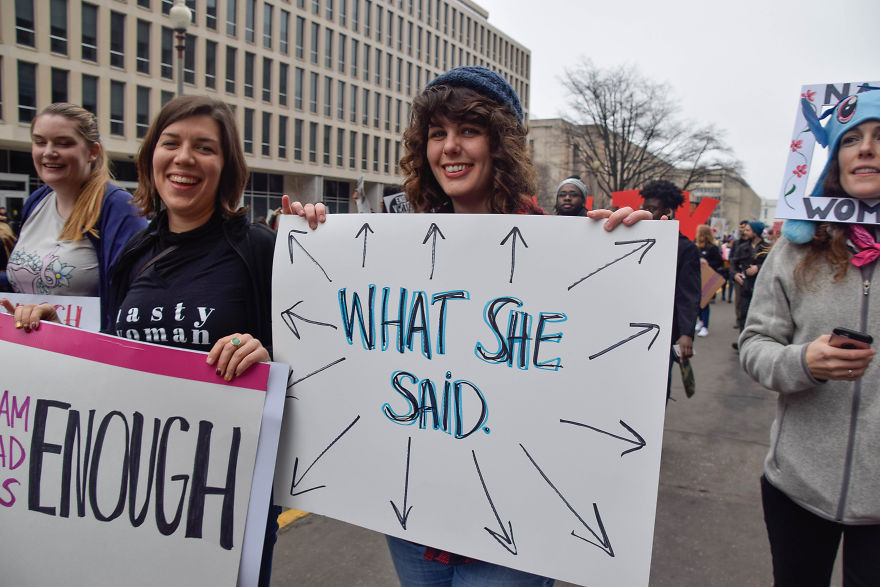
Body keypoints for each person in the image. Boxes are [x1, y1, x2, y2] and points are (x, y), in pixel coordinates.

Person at [287, 65, 652, 587]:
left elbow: (605, 371)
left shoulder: (561, 248)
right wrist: (315, 239)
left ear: (501, 143)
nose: (451, 148)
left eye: (469, 131)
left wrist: (624, 253)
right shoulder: (392, 245)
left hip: (517, 531)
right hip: (416, 527)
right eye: (438, 134)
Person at [6, 96, 280, 586]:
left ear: (227, 165)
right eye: (170, 143)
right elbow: (111, 359)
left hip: (226, 500)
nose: (184, 159)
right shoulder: (134, 252)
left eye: (205, 147)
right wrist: (54, 327)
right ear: (151, 154)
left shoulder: (258, 246)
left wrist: (264, 354)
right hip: (137, 491)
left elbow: (306, 358)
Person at [739, 88, 880, 586]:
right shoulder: (796, 250)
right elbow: (754, 345)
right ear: (835, 158)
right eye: (852, 138)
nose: (866, 149)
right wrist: (805, 363)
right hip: (797, 487)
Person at [4, 103, 146, 329]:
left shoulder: (118, 208)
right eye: (40, 142)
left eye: (63, 143)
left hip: (83, 356)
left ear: (92, 152)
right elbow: (28, 280)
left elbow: (132, 299)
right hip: (30, 348)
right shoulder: (36, 201)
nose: (48, 152)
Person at [639, 179, 701, 400]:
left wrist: (686, 333)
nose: (645, 212)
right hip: (633, 326)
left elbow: (689, 294)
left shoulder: (685, 248)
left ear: (667, 211)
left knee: (656, 388)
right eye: (643, 207)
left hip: (664, 331)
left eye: (651, 209)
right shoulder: (632, 239)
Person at [730, 221, 770, 351]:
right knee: (744, 315)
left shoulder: (767, 248)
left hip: (761, 289)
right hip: (745, 287)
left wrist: (758, 268)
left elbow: (774, 267)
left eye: (748, 230)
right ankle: (743, 343)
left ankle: (757, 345)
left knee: (759, 317)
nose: (744, 232)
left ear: (755, 232)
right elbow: (733, 263)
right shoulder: (742, 247)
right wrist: (735, 274)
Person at [694, 224, 725, 337]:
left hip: (708, 279)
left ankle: (705, 326)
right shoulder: (696, 247)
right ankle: (701, 321)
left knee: (705, 303)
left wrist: (707, 263)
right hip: (697, 278)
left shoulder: (712, 248)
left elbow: (719, 263)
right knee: (697, 302)